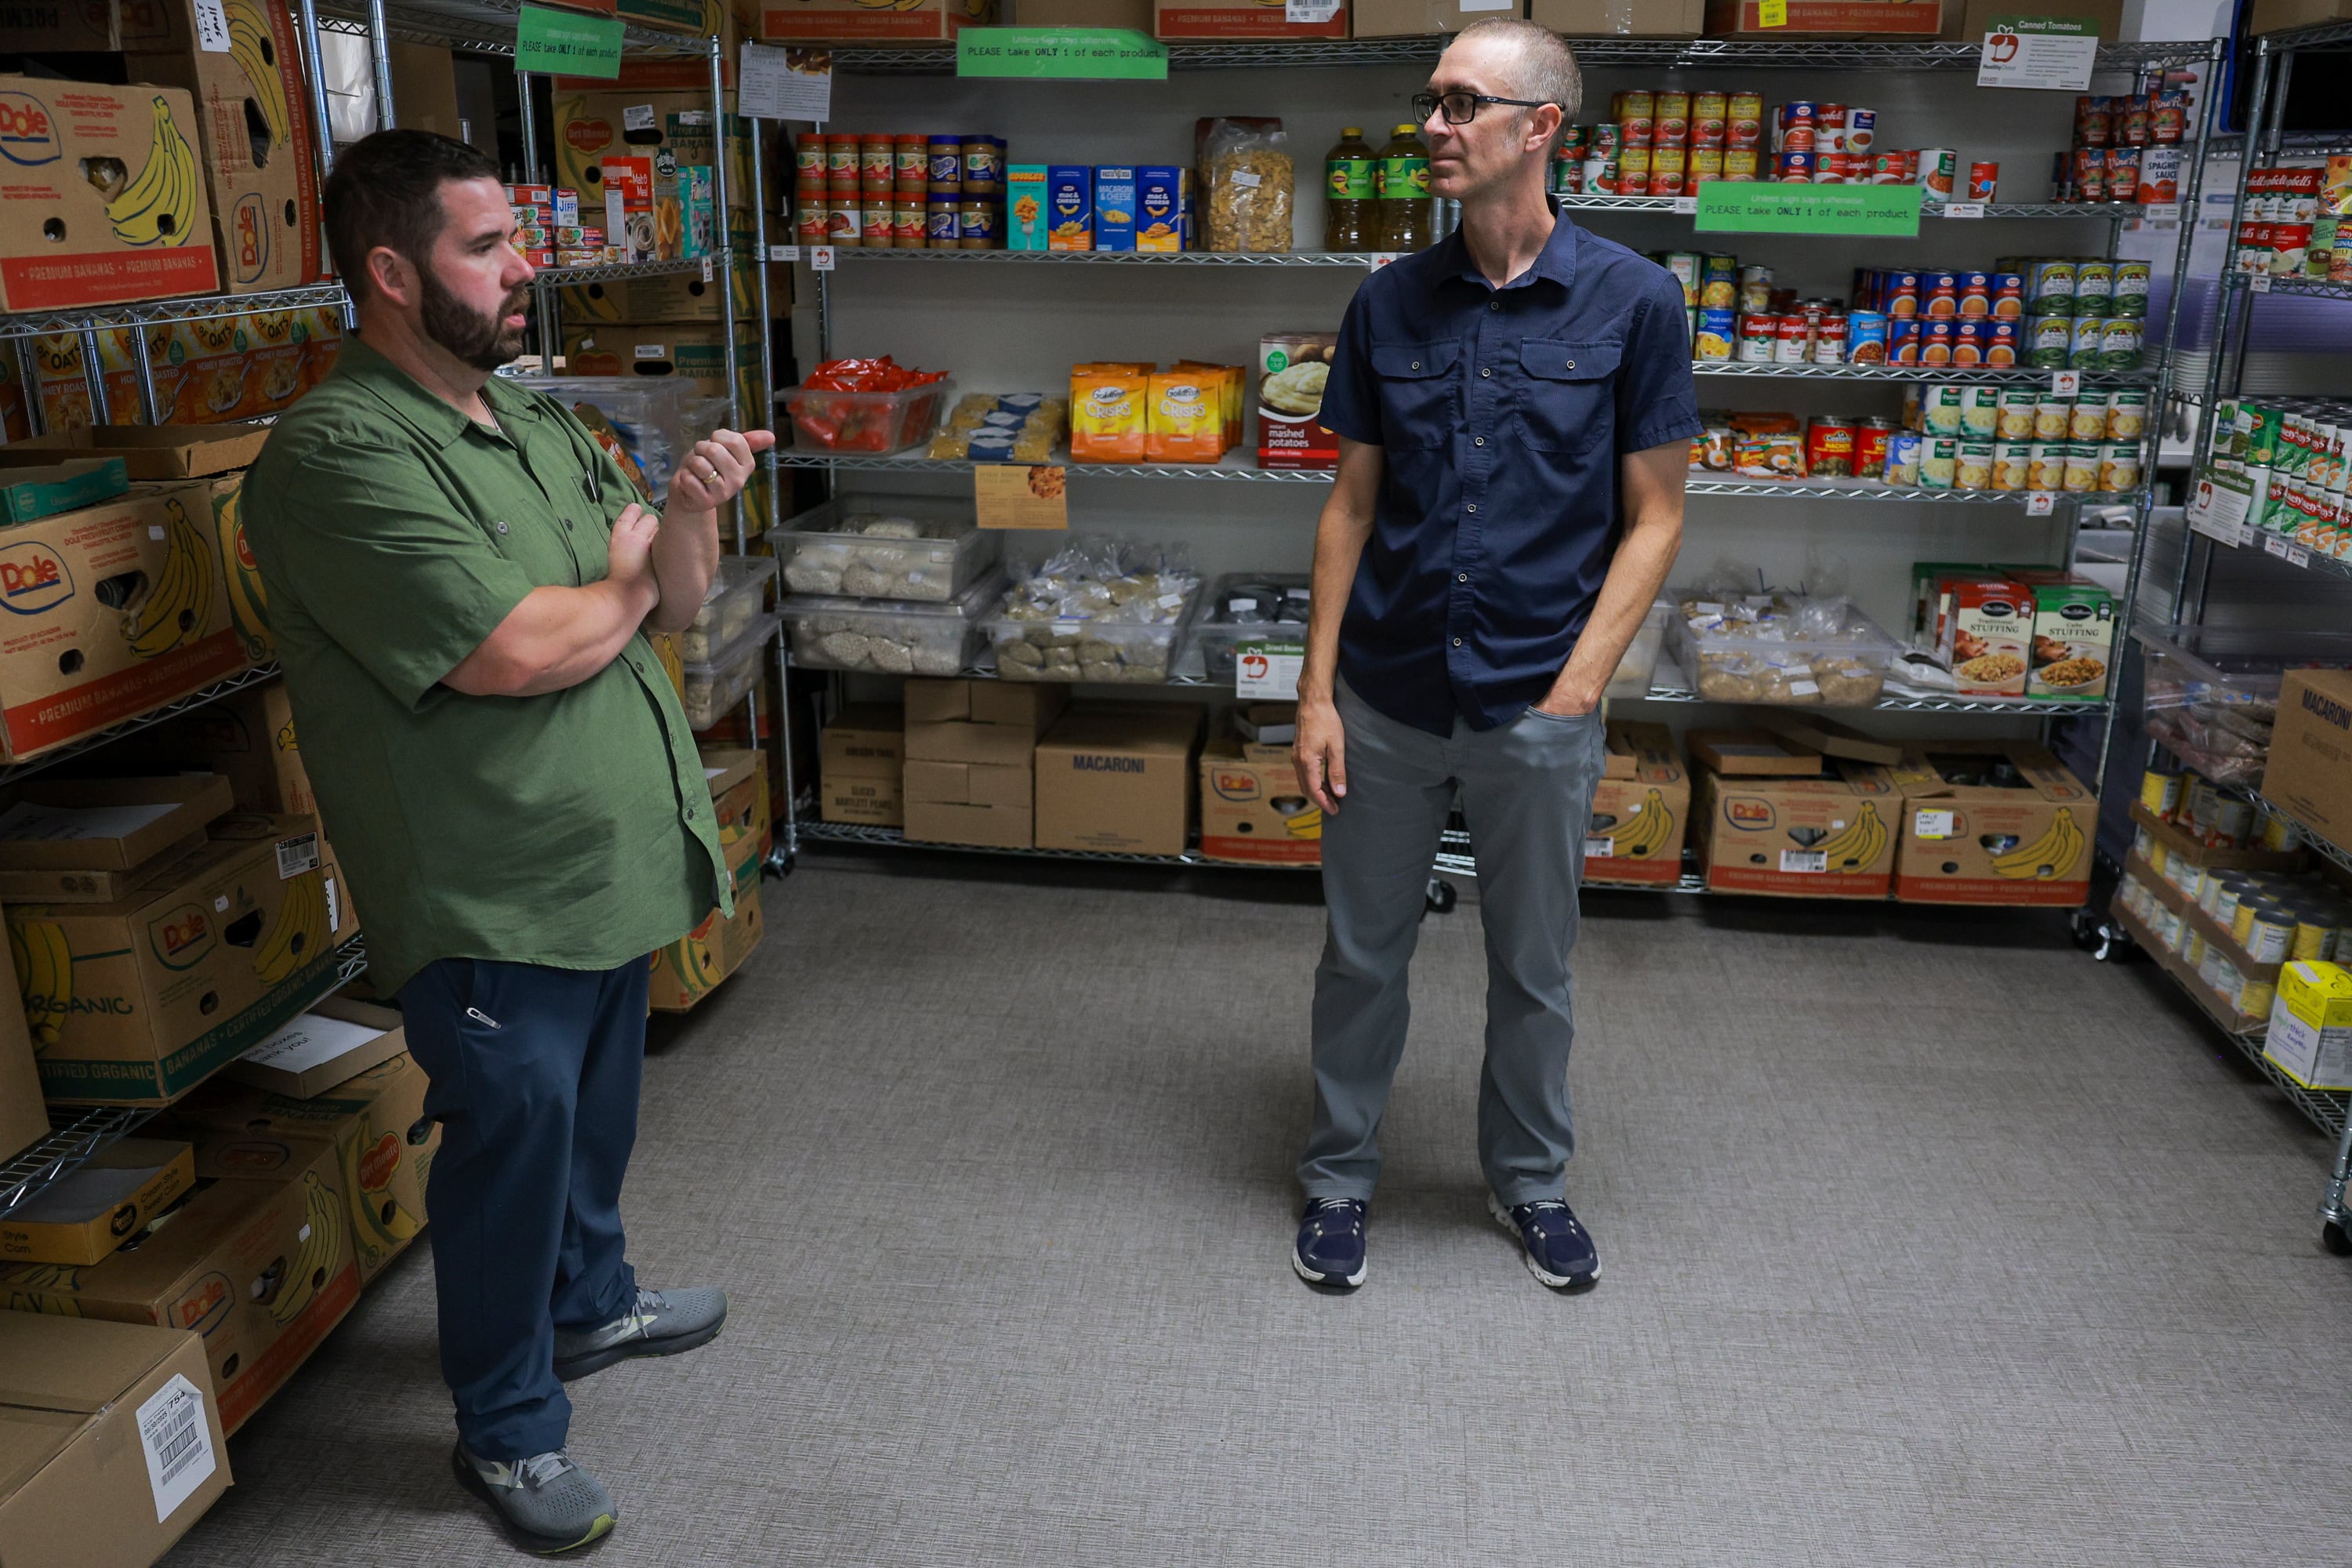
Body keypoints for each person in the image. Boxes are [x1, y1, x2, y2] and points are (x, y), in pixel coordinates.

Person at [240, 129, 775, 1553]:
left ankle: (592, 1303)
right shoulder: (334, 455)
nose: (526, 265)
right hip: (487, 886)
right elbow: (512, 651)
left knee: (593, 1118)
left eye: (517, 238)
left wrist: (681, 522)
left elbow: (664, 595)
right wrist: (613, 581)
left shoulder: (530, 417)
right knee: (512, 1140)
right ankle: (508, 1427)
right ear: (392, 274)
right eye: (490, 246)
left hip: (600, 861)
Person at [1287, 20, 1699, 1295]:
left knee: (1534, 964)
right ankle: (1339, 1176)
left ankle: (1529, 1183)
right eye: (1431, 100)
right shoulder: (1386, 300)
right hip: (1389, 693)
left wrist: (1581, 688)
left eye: (1464, 103)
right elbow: (1349, 506)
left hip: (1539, 697)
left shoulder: (1636, 301)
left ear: (1541, 130)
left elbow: (1658, 517)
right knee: (1362, 953)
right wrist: (1316, 692)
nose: (1432, 125)